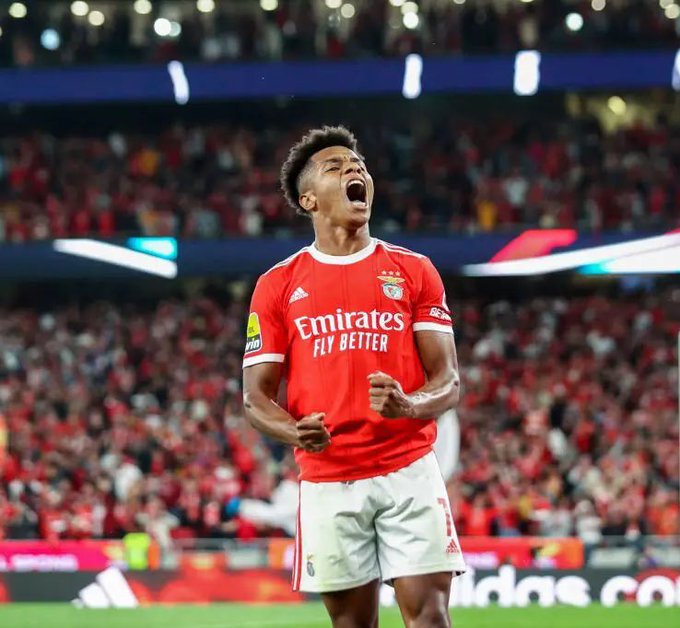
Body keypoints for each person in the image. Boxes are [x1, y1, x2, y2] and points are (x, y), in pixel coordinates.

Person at [242, 126, 466, 628]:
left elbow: (449, 380)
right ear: (308, 199)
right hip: (329, 477)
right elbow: (255, 398)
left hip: (408, 467)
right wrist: (294, 430)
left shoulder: (414, 270)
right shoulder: (277, 285)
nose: (354, 170)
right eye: (336, 167)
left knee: (430, 617)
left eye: (358, 165)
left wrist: (410, 405)